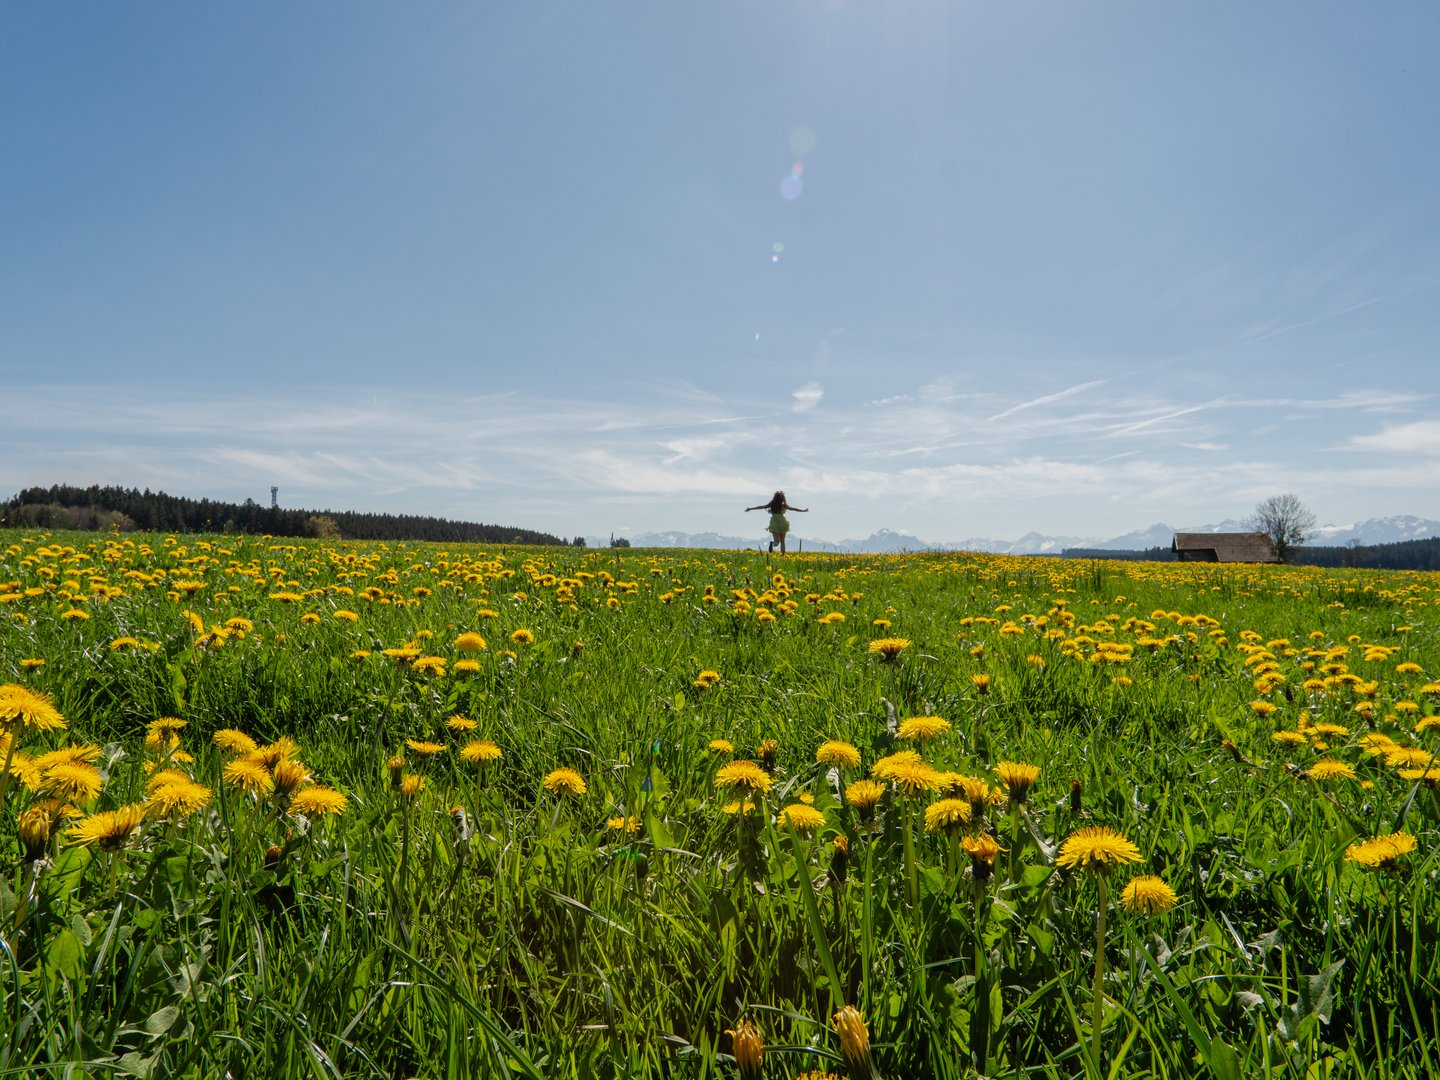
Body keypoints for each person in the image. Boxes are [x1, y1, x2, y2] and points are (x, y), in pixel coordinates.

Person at [745, 490, 807, 555]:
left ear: (775, 498)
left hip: (774, 523)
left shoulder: (772, 505)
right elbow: (793, 509)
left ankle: (773, 544)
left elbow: (761, 507)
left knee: (777, 542)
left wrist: (750, 509)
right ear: (783, 499)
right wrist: (802, 510)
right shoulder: (784, 506)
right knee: (782, 541)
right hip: (783, 523)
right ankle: (782, 556)